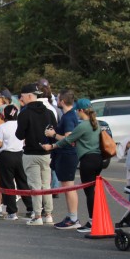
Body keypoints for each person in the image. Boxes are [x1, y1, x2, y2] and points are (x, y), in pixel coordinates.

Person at [43, 99, 102, 234]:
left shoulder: (83, 125)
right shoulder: (95, 124)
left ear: (81, 110)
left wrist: (51, 146)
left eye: (77, 111)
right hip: (97, 159)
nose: (77, 113)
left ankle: (92, 221)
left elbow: (68, 140)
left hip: (87, 160)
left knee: (89, 192)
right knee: (92, 191)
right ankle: (94, 219)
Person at [15, 83, 57, 226]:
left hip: (31, 152)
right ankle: (48, 214)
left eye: (22, 96)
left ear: (29, 96)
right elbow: (54, 131)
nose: (21, 99)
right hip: (46, 152)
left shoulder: (24, 113)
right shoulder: (49, 112)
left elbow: (19, 135)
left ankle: (37, 215)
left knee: (35, 185)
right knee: (46, 185)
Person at [0, 105, 32, 221]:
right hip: (20, 154)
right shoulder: (21, 124)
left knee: (7, 184)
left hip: (6, 156)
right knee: (23, 182)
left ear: (4, 114)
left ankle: (12, 211)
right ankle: (31, 208)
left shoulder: (3, 127)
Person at [51, 91, 82, 229]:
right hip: (65, 154)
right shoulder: (68, 115)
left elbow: (69, 138)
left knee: (69, 187)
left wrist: (53, 134)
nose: (57, 100)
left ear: (62, 101)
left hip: (68, 154)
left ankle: (74, 218)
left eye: (58, 98)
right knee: (66, 186)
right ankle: (71, 215)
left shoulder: (69, 117)